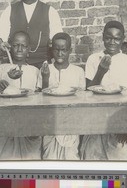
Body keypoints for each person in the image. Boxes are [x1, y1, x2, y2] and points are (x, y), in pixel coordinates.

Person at [81, 20, 127, 160]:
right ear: (103, 37)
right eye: (108, 38)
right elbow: (88, 92)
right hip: (96, 119)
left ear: (122, 40)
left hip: (120, 120)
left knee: (119, 158)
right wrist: (101, 71)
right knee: (93, 158)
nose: (112, 42)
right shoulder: (93, 59)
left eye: (117, 39)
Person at [0, 0, 63, 69]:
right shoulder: (10, 10)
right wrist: (0, 44)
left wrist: (53, 43)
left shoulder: (50, 12)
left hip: (42, 67)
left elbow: (59, 41)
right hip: (15, 67)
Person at [0, 31, 41, 160]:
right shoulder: (2, 69)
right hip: (5, 123)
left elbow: (39, 97)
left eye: (23, 46)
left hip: (29, 123)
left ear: (28, 49)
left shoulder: (34, 71)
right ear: (10, 47)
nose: (19, 49)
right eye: (15, 45)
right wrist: (1, 85)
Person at [37, 32, 85, 160]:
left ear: (70, 50)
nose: (59, 53)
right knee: (49, 158)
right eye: (56, 50)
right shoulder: (45, 69)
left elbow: (82, 98)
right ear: (52, 50)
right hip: (50, 122)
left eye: (63, 50)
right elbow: (41, 98)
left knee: (71, 158)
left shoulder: (78, 71)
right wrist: (45, 78)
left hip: (71, 123)